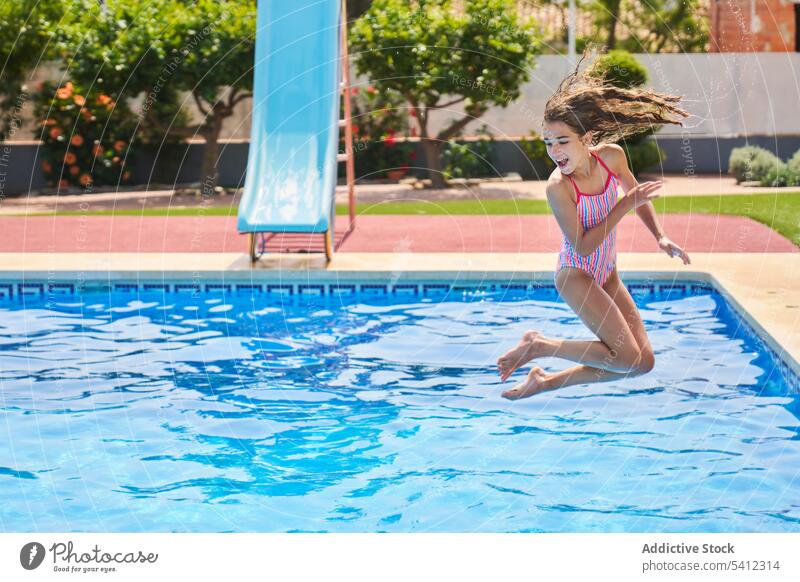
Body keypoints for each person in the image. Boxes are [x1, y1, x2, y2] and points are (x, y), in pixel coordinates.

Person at [497, 53, 692, 400]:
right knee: (625, 356)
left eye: (562, 141)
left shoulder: (612, 156)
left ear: (585, 139)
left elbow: (636, 195)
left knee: (642, 363)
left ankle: (543, 382)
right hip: (576, 275)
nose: (554, 151)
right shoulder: (559, 187)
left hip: (607, 273)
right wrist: (622, 208)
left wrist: (660, 237)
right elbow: (584, 245)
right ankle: (539, 345)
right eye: (548, 143)